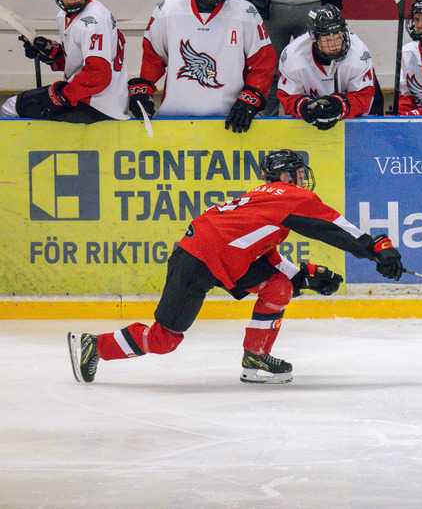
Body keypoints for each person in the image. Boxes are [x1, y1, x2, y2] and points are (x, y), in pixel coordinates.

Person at [67, 149, 404, 385]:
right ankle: (94, 345)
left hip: (212, 255)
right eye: (299, 173)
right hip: (200, 261)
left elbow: (262, 255)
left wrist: (305, 277)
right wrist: (377, 249)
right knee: (165, 339)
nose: (303, 179)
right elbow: (334, 227)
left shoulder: (262, 201)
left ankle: (256, 357)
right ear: (285, 176)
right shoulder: (290, 196)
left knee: (279, 286)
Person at [128, 0, 276, 133]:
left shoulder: (245, 13)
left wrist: (249, 99)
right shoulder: (169, 10)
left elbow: (263, 62)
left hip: (227, 121)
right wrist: (144, 88)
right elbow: (153, 57)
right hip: (174, 119)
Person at [2, 0, 129, 122]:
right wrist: (49, 51)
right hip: (92, 97)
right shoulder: (64, 16)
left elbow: (99, 73)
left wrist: (62, 95)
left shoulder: (94, 20)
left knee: (10, 107)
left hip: (98, 103)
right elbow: (75, 61)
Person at [276, 4, 376, 128]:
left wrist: (339, 106)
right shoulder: (292, 56)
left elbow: (363, 98)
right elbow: (287, 97)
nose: (334, 45)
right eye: (327, 40)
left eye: (338, 37)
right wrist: (304, 108)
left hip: (351, 122)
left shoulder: (359, 53)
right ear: (314, 37)